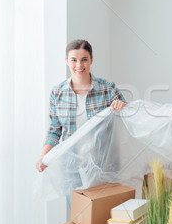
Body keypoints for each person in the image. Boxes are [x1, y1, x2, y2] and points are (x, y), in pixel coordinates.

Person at [36, 39, 127, 173]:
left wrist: (164, 113)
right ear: (67, 61)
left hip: (104, 165)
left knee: (107, 195)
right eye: (74, 60)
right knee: (73, 195)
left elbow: (131, 114)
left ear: (91, 60)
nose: (79, 64)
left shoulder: (107, 89)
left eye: (84, 59)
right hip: (71, 167)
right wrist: (43, 156)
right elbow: (54, 130)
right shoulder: (57, 92)